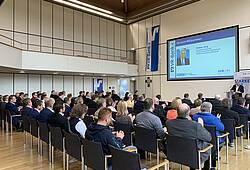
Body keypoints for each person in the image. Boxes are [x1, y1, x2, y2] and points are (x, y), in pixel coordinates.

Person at [166, 103, 212, 169]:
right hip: (192, 154)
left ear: (177, 112)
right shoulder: (195, 126)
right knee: (209, 146)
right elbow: (209, 138)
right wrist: (201, 126)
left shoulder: (169, 123)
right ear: (188, 113)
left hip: (174, 153)